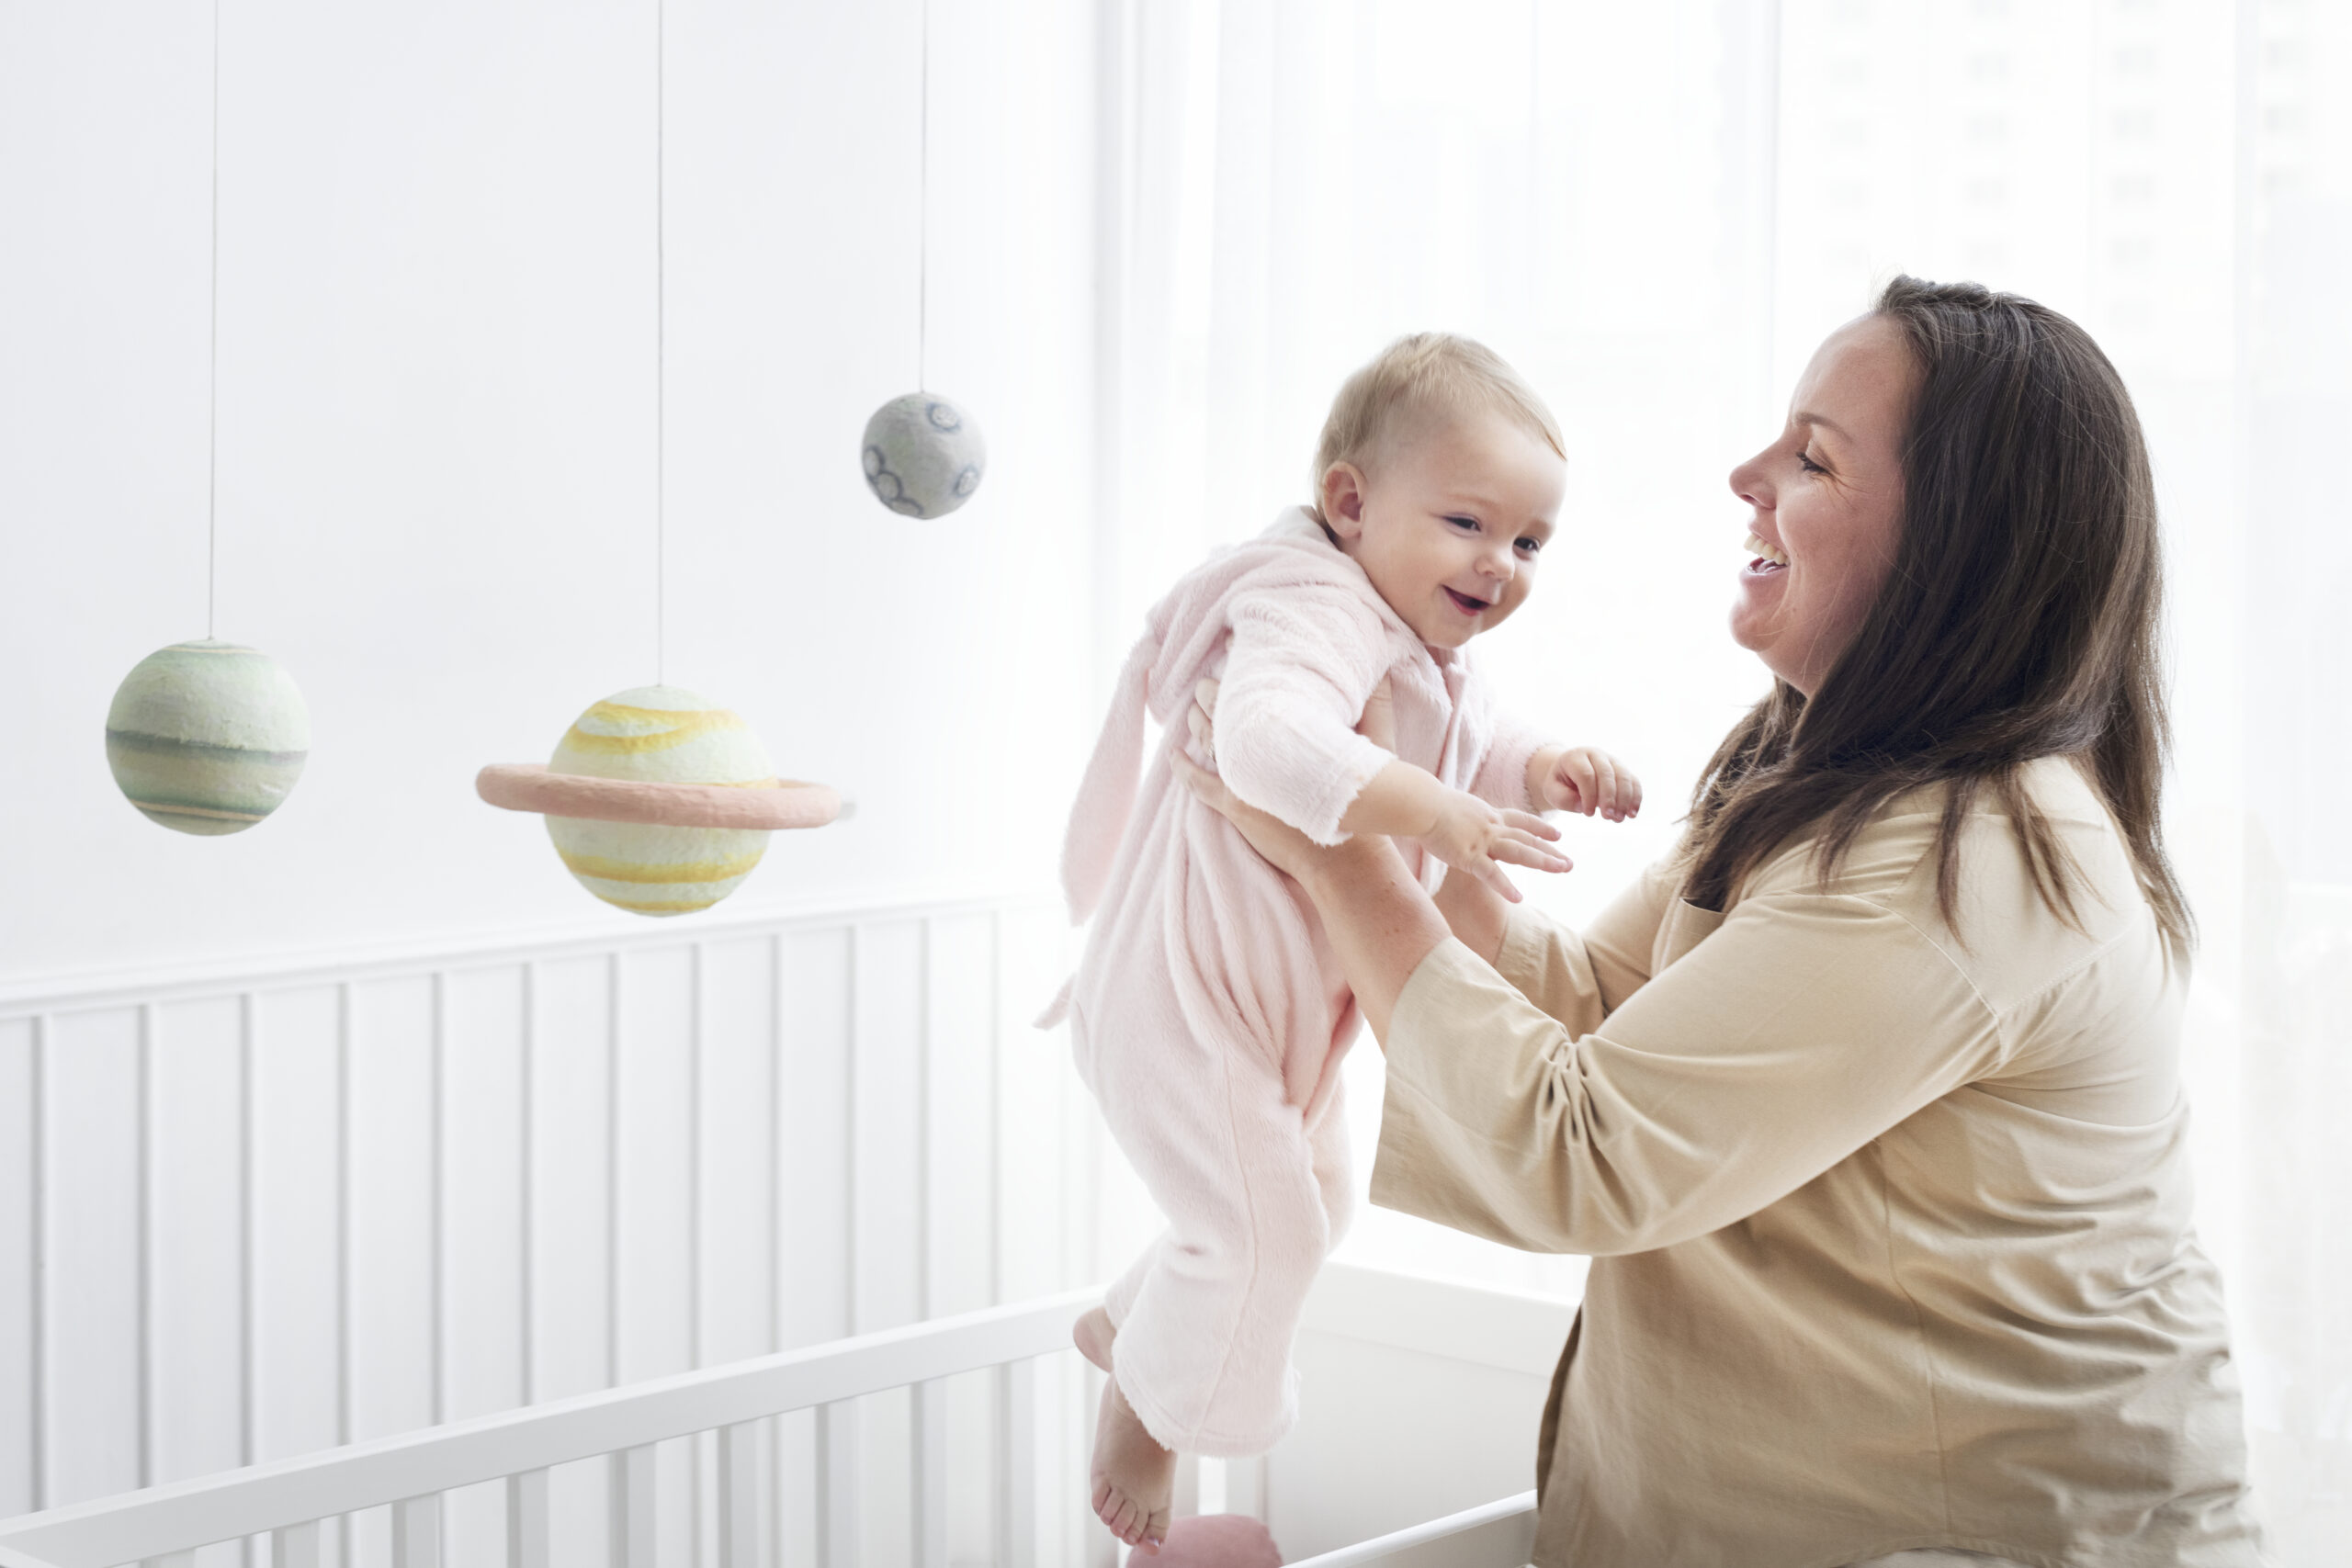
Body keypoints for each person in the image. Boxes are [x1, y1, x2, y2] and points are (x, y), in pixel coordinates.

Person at [1177, 278, 2264, 1566]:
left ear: (1957, 545)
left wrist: (1339, 849)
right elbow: (1595, 1004)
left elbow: (1578, 1151)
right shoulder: (1811, 770)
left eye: (1809, 457)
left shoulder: (1975, 859)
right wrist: (1405, 811)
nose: (1745, 475)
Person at [1046, 333, 1641, 1551]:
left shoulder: (1416, 639)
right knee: (1265, 1228)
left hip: (1264, 1022)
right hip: (1179, 1001)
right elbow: (1267, 743)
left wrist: (1541, 766)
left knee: (1313, 1200)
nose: (1504, 564)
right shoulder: (1306, 603)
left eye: (1530, 542)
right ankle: (1142, 1419)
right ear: (1351, 504)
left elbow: (1465, 735)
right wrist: (1438, 814)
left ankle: (1132, 1322)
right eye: (1471, 523)